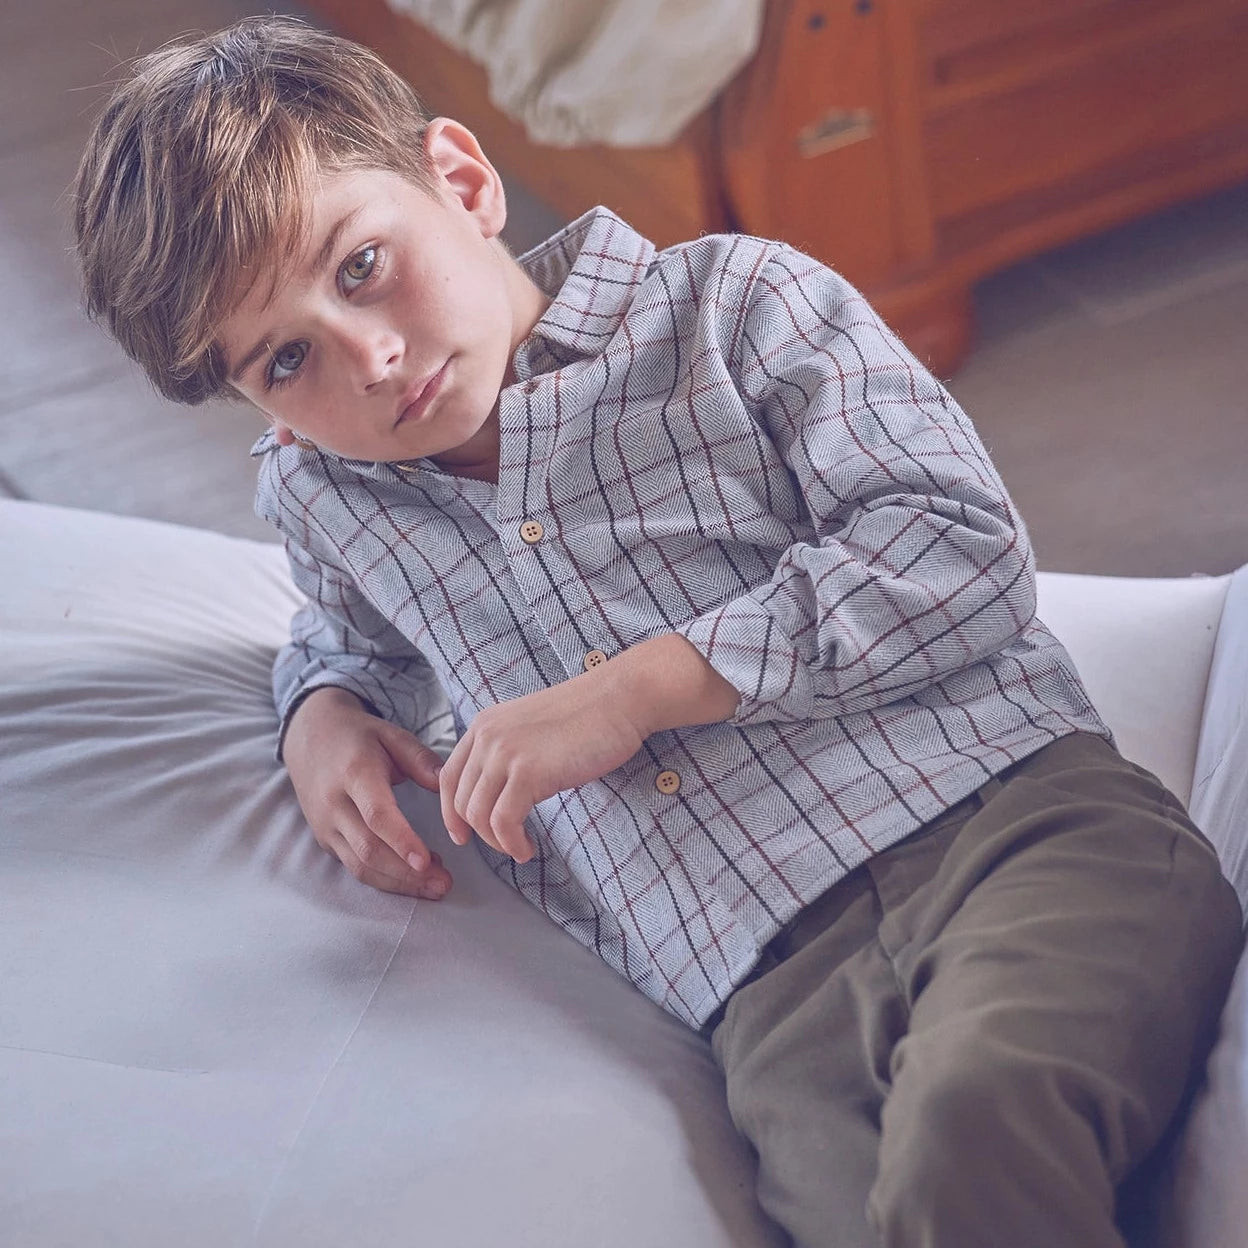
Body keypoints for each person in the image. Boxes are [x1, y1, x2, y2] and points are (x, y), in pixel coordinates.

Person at [71, 16, 1242, 1247]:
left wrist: (642, 687)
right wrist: (321, 716)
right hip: (770, 999)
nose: (366, 357)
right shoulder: (327, 498)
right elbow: (348, 639)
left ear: (460, 184)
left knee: (973, 1138)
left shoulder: (740, 309)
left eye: (361, 265)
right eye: (288, 357)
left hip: (1014, 835)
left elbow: (957, 543)